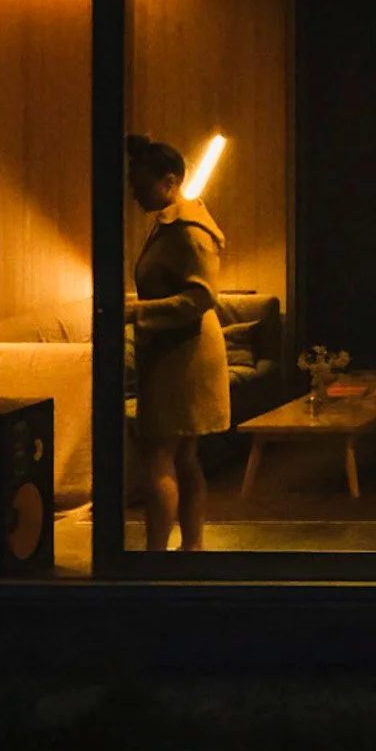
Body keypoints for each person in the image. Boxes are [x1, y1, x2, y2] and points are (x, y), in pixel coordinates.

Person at [124, 133, 230, 553]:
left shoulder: (188, 231)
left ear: (169, 181)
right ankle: (190, 551)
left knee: (161, 456)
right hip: (178, 350)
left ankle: (156, 557)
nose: (133, 191)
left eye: (140, 182)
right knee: (184, 458)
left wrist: (137, 313)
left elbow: (202, 295)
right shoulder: (172, 224)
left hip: (182, 355)